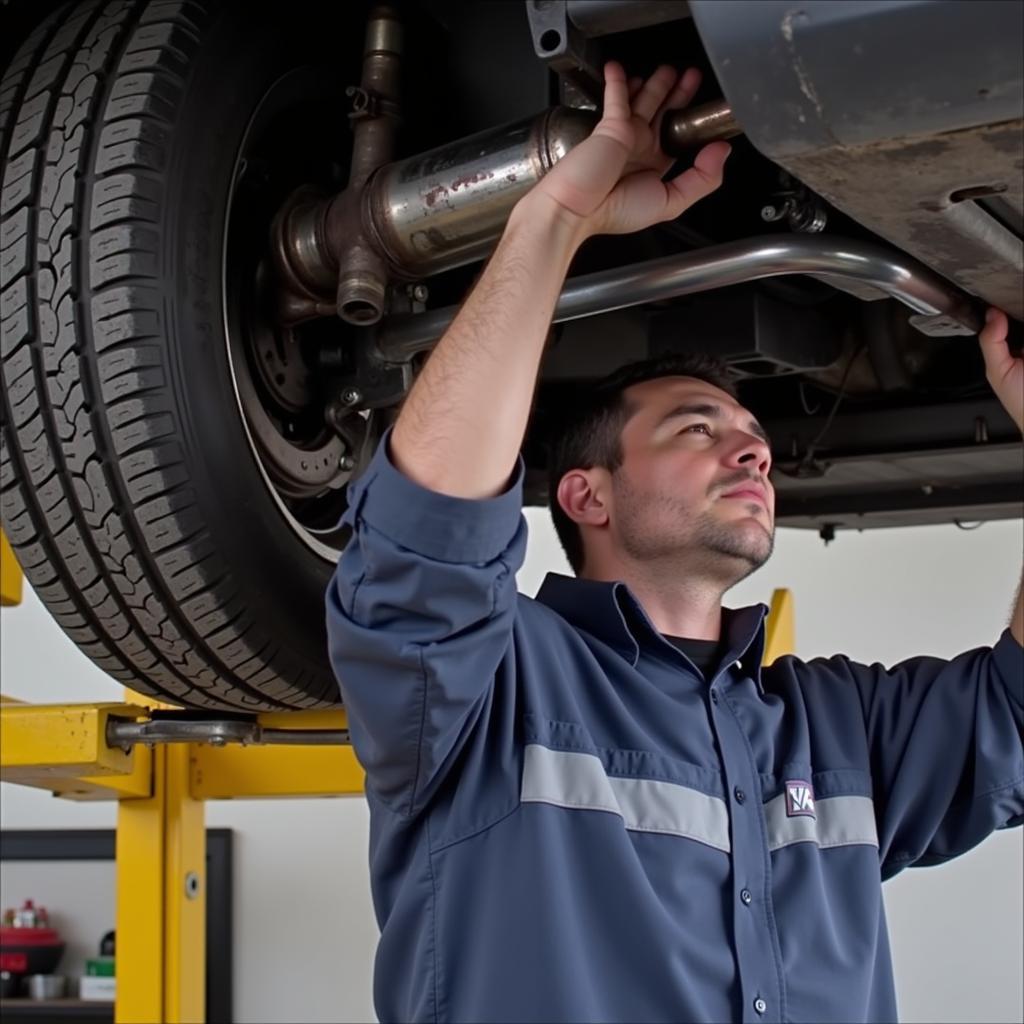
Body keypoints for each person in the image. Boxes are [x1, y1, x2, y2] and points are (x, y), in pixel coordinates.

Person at [326, 61, 1023, 1024]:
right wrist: (555, 216)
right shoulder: (490, 690)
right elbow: (428, 524)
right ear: (586, 495)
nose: (752, 448)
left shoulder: (838, 733)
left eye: (754, 435)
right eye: (699, 428)